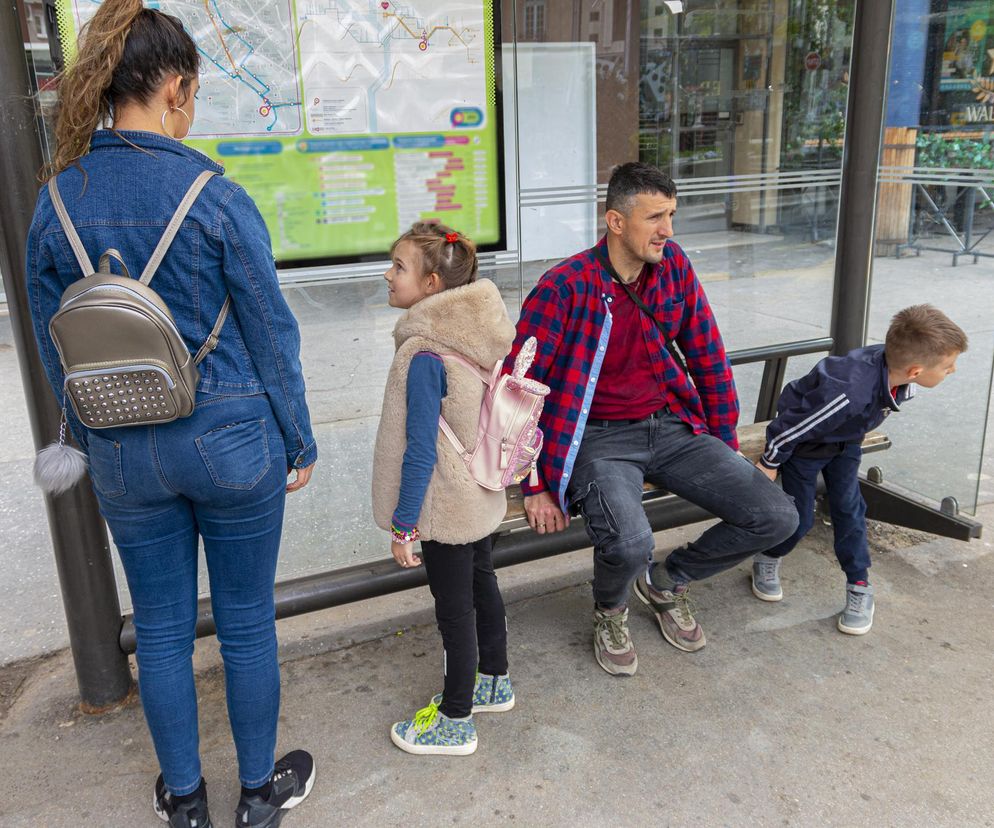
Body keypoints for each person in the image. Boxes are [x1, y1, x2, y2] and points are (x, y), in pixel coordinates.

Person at [26, 1, 317, 825]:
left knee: (158, 628)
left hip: (121, 446)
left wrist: (86, 431)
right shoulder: (213, 195)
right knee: (247, 623)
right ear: (176, 89)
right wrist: (297, 436)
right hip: (231, 437)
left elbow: (57, 346)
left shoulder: (58, 200)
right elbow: (270, 329)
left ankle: (184, 801)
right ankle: (259, 795)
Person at [505, 161, 799, 676]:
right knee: (630, 540)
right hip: (596, 439)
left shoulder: (674, 265)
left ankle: (666, 581)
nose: (668, 230)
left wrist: (725, 440)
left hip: (671, 426)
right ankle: (611, 609)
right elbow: (519, 389)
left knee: (777, 516)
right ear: (616, 222)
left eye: (671, 215)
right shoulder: (565, 287)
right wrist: (534, 483)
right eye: (655, 217)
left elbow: (707, 353)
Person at [372, 222, 516, 755]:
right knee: (484, 584)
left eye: (399, 267)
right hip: (479, 494)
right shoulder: (477, 337)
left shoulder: (425, 355)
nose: (388, 275)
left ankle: (456, 719)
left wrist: (406, 524)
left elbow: (418, 452)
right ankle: (494, 681)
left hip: (444, 505)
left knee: (454, 613)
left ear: (432, 284)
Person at [752, 305, 968, 635]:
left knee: (850, 509)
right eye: (948, 366)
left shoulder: (893, 372)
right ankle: (769, 555)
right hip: (805, 446)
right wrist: (769, 462)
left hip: (845, 441)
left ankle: (859, 583)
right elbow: (794, 427)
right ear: (914, 371)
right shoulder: (848, 393)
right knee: (800, 518)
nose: (951, 371)